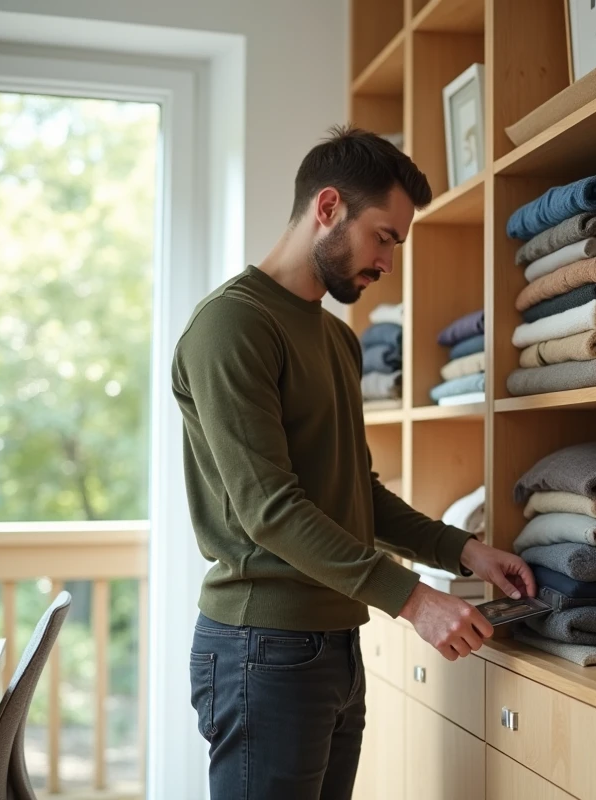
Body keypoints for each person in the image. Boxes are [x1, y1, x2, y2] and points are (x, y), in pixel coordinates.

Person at [172, 125, 535, 800]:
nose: (389, 261)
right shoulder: (233, 326)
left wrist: (464, 551)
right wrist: (412, 599)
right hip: (263, 647)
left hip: (334, 641)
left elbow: (354, 494)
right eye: (384, 237)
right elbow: (269, 510)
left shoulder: (339, 340)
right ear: (328, 207)